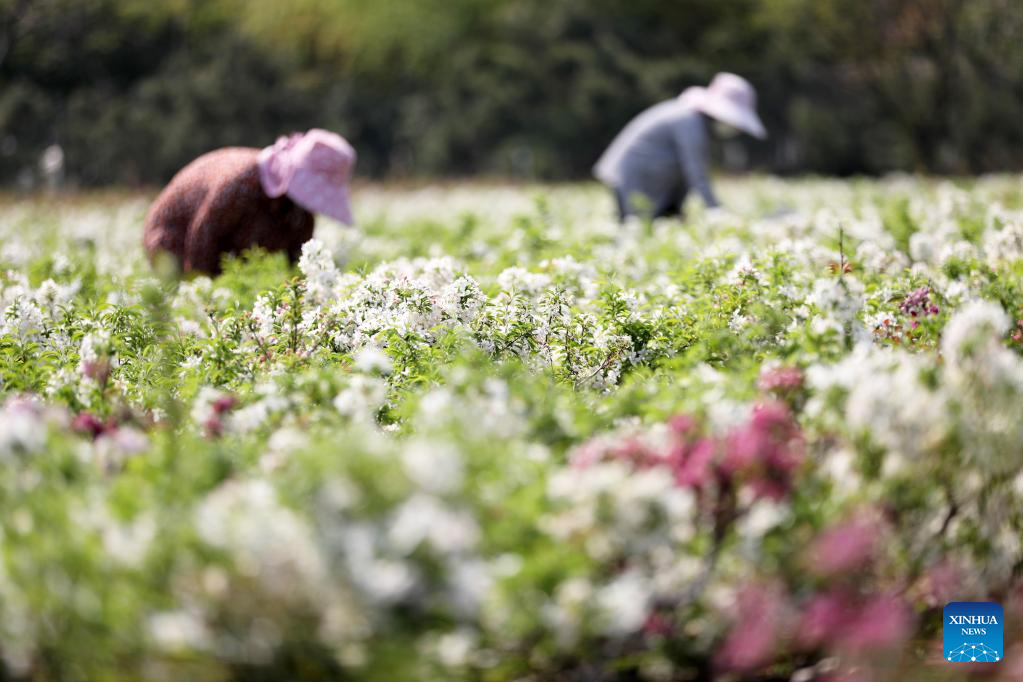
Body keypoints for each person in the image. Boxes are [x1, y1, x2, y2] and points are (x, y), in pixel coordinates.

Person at [143, 129, 356, 275]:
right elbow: (203, 238)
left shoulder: (298, 211)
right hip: (175, 238)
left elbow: (299, 254)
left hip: (221, 250)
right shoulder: (242, 182)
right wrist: (206, 300)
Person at [593, 73, 766, 222]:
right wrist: (715, 210)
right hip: (633, 178)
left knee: (646, 226)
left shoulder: (689, 118)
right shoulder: (689, 121)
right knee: (635, 227)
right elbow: (695, 171)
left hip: (640, 179)